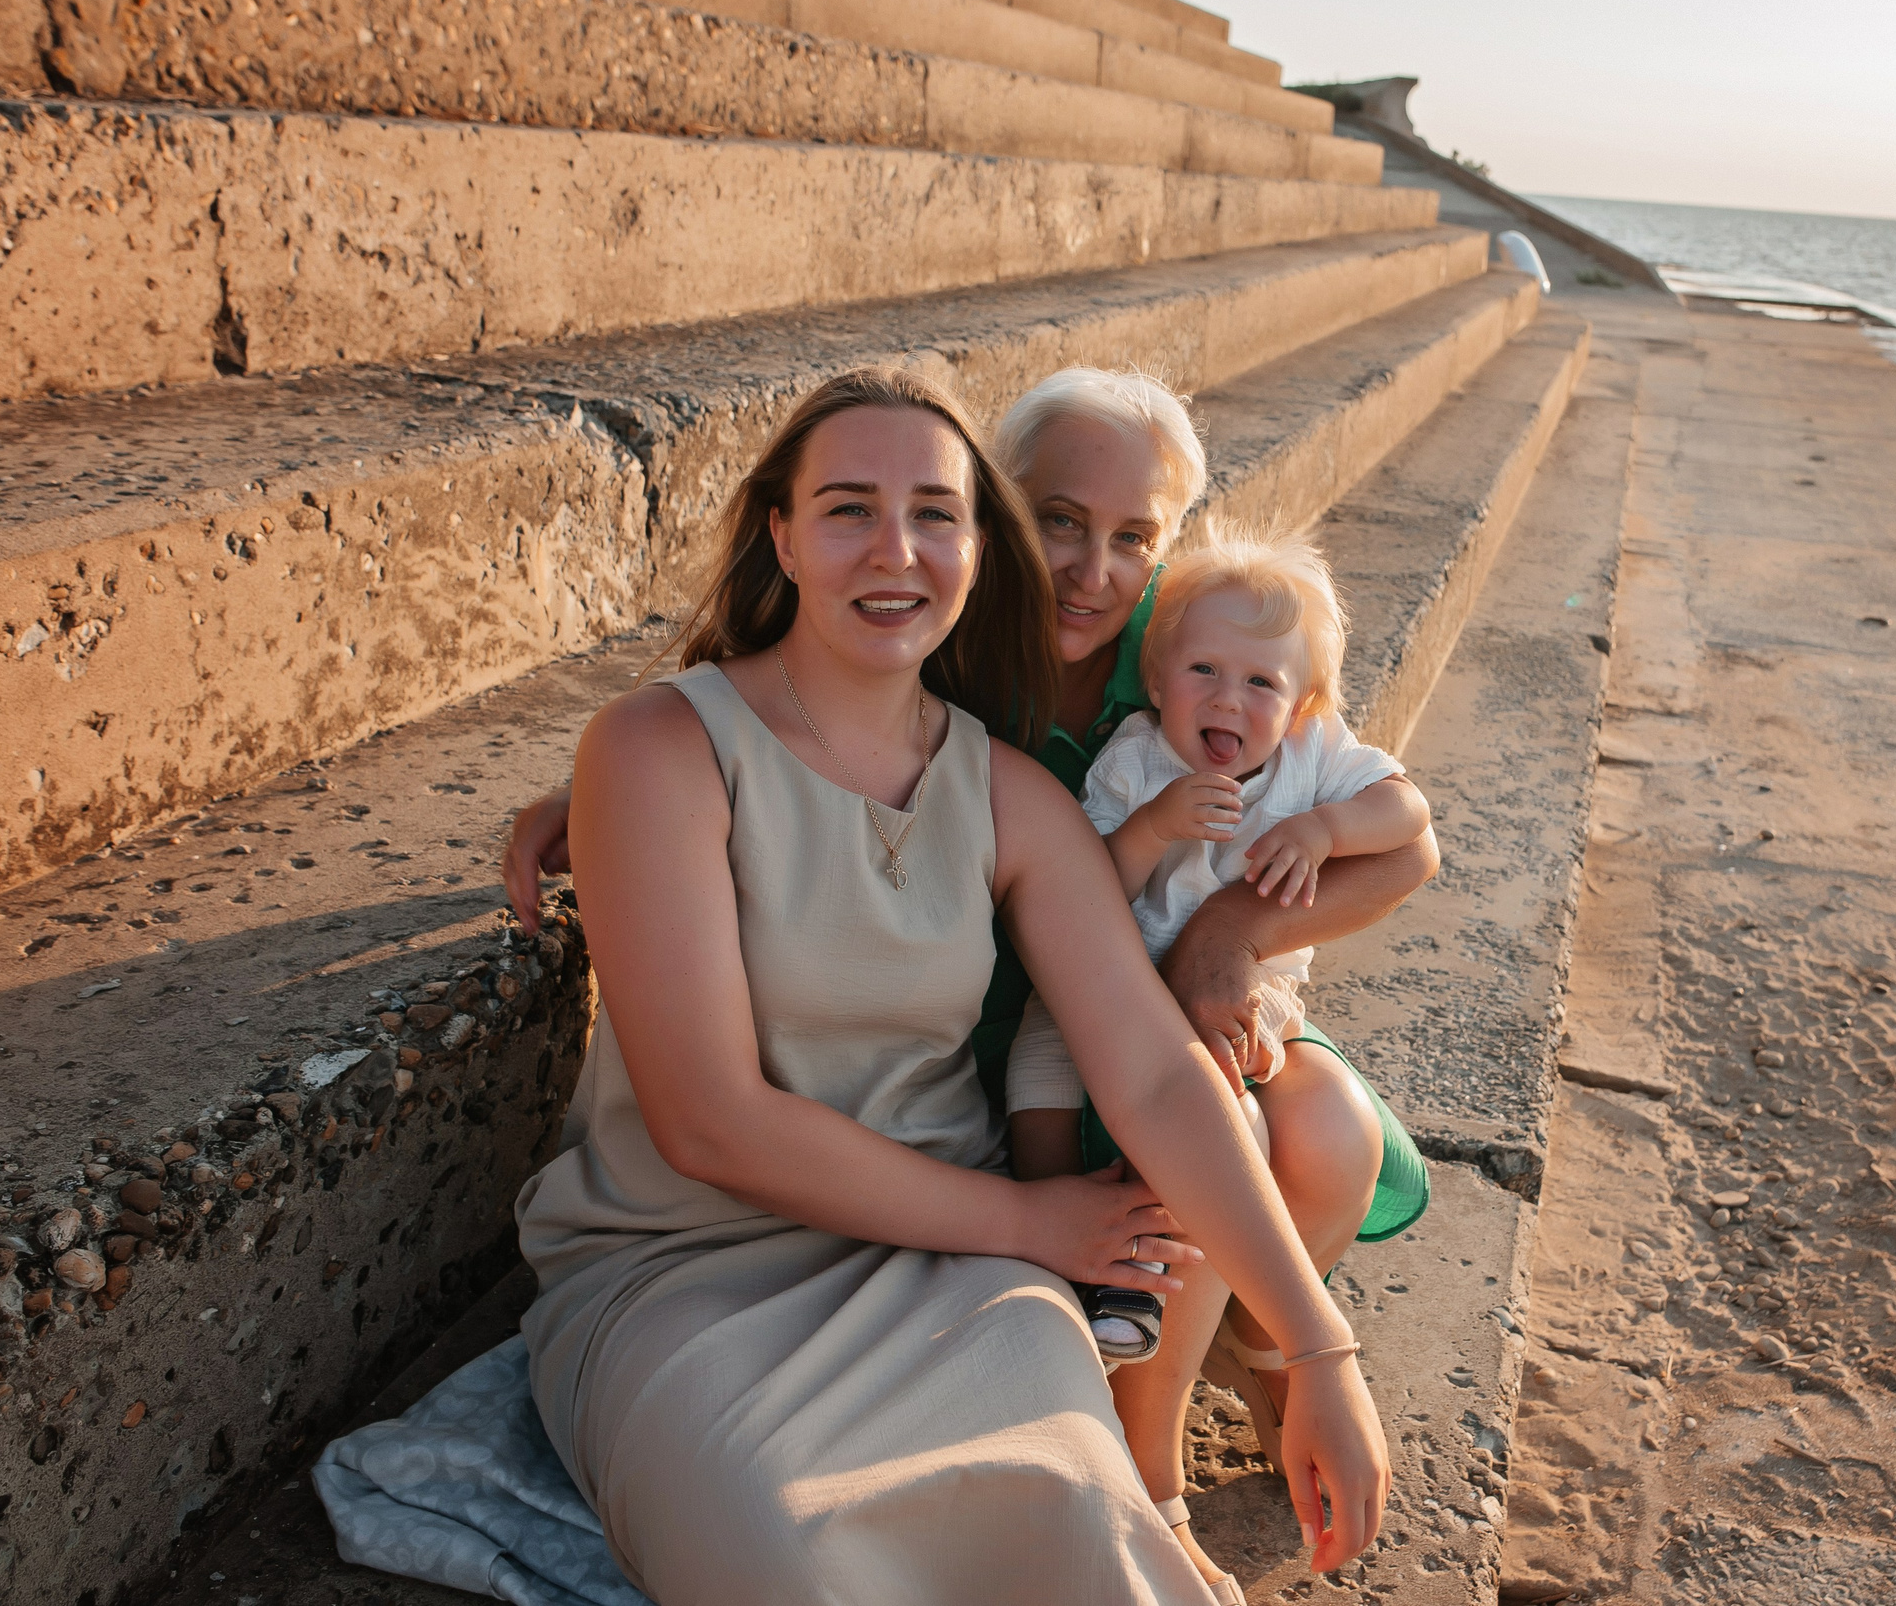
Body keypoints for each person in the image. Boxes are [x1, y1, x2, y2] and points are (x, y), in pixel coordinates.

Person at [503, 367, 1436, 1594]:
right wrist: (1032, 1224)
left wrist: (1321, 1347)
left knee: (1080, 1535)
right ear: (780, 532)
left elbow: (1154, 1065)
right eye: (847, 508)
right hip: (686, 1271)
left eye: (934, 512)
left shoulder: (1016, 791)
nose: (897, 547)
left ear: (972, 541)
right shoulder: (659, 746)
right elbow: (707, 1121)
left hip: (955, 1269)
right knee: (792, 1556)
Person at [1004, 530, 1432, 1378]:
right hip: (1108, 983)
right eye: (1203, 671)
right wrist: (1154, 824)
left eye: (1261, 682)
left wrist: (1326, 826)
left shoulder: (1314, 756)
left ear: (1304, 704)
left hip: (1248, 984)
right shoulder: (1134, 759)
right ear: (1159, 680)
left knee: (1206, 1082)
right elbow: (1086, 886)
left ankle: (1152, 1271)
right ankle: (1051, 1259)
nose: (1228, 700)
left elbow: (1409, 814)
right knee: (1035, 1073)